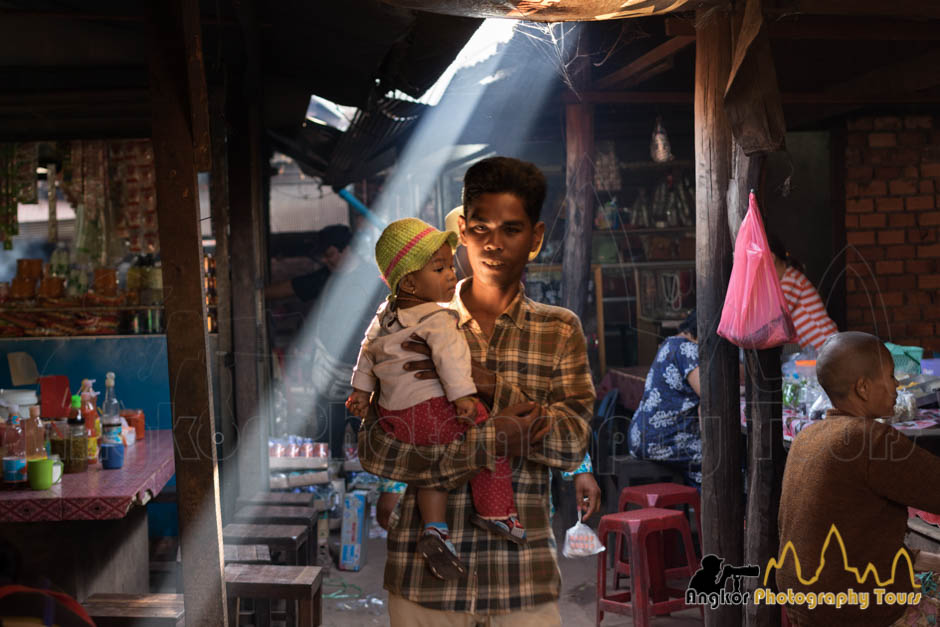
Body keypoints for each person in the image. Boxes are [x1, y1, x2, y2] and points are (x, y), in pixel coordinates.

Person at [358, 156, 595, 625]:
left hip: (522, 583)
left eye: (511, 229)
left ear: (536, 238)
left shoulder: (559, 331)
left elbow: (571, 443)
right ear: (462, 231)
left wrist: (488, 385)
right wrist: (494, 439)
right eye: (481, 228)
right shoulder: (408, 327)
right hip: (425, 589)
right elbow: (378, 449)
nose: (493, 244)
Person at [346, 218, 527, 581]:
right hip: (428, 414)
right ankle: (495, 511)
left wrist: (361, 391)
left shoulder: (387, 314)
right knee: (489, 440)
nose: (451, 273)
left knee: (434, 470)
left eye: (450, 265)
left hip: (397, 414)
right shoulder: (440, 317)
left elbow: (367, 352)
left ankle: (436, 529)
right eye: (441, 267)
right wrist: (464, 396)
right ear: (410, 282)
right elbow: (451, 360)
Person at [776, 331, 940, 627]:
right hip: (854, 609)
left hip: (802, 604)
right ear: (863, 388)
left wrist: (917, 558)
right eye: (890, 376)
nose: (897, 385)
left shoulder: (806, 436)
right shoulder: (869, 439)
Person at [628, 309, 702, 486]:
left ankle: (693, 504)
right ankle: (712, 511)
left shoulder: (670, 343)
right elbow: (710, 394)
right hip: (662, 439)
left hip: (641, 436)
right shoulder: (688, 349)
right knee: (721, 456)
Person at [768, 234, 838, 352]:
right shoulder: (788, 280)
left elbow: (772, 318)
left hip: (827, 345)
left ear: (771, 257)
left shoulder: (791, 280)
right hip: (823, 348)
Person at [265, 224, 353, 302]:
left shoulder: (366, 279)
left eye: (329, 254)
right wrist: (257, 293)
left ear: (347, 251)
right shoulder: (324, 278)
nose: (323, 260)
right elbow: (290, 288)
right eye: (322, 255)